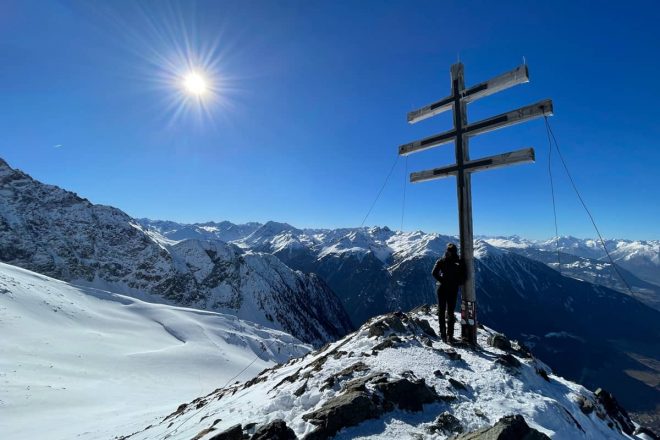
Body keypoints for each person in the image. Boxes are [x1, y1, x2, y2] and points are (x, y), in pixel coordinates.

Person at [432, 243, 465, 344]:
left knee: (441, 311)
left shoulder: (442, 260)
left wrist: (442, 280)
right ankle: (450, 336)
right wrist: (456, 282)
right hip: (452, 290)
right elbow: (464, 276)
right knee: (450, 312)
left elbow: (434, 273)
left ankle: (443, 335)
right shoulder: (459, 261)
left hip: (442, 289)